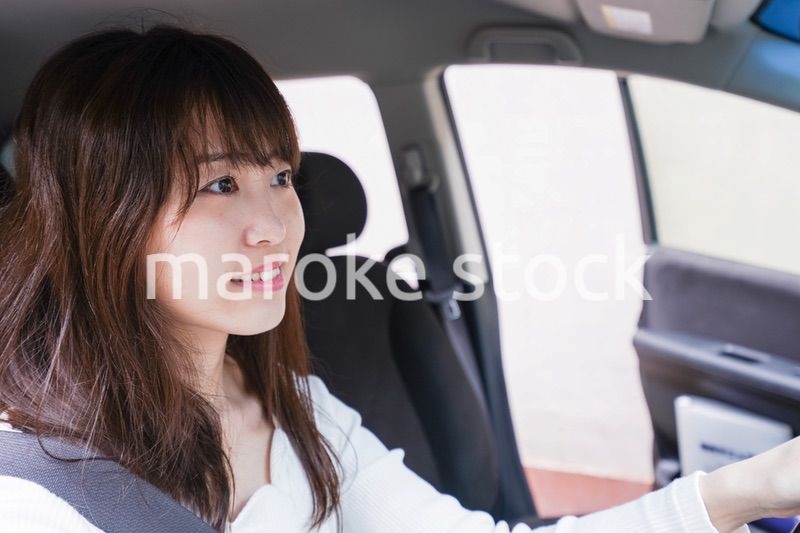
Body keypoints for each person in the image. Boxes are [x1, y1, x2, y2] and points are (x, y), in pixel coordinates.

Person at [0, 22, 798, 533]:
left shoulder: (295, 408)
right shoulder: (38, 489)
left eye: (279, 177)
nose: (274, 225)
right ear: (103, 218)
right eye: (219, 185)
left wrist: (750, 487)